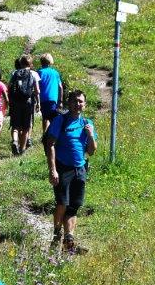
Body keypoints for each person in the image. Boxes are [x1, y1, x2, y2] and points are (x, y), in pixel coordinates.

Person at [43, 90, 96, 253]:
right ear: (69, 103)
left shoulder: (87, 123)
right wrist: (53, 170)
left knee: (74, 206)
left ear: (85, 104)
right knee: (62, 204)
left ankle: (69, 241)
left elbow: (91, 151)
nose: (77, 104)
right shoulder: (61, 120)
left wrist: (90, 135)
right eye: (74, 101)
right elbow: (50, 144)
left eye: (80, 101)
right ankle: (56, 234)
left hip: (80, 169)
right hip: (62, 168)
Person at [7, 55, 40, 156]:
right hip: (28, 102)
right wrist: (38, 103)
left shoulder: (15, 73)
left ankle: (15, 141)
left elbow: (9, 87)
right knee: (26, 127)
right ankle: (22, 149)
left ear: (20, 63)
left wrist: (10, 100)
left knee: (15, 125)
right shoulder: (33, 74)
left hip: (16, 102)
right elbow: (37, 91)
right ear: (30, 64)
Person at [37, 53, 64, 133]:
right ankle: (51, 134)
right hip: (53, 99)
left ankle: (45, 134)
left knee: (45, 118)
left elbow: (36, 86)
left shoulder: (39, 72)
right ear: (50, 62)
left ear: (41, 62)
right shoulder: (55, 73)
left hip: (42, 99)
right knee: (53, 118)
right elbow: (60, 87)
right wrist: (60, 100)